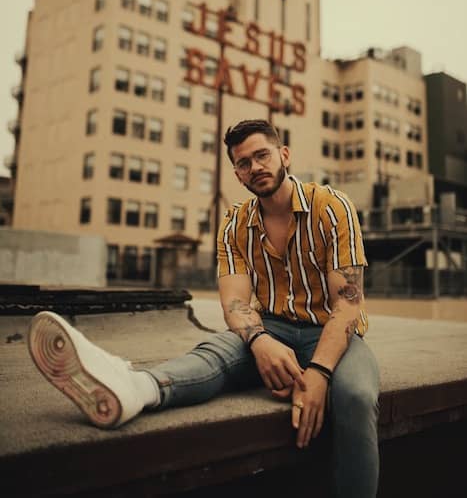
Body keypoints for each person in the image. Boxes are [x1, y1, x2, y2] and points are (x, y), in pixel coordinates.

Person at [28, 119, 380, 497]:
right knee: (214, 354)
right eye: (243, 163)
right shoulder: (234, 223)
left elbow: (347, 305)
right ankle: (134, 389)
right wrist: (260, 341)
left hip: (332, 334)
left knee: (357, 397)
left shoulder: (331, 206)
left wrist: (320, 373)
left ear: (284, 155)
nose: (255, 167)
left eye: (262, 155)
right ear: (237, 174)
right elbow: (233, 303)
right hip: (272, 328)